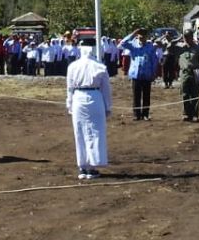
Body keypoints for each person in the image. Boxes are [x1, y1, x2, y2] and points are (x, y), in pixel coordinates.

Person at [65, 35, 111, 180]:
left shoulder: (73, 66)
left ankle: (83, 166)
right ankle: (91, 166)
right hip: (95, 97)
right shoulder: (100, 66)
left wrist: (69, 103)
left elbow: (69, 88)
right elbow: (106, 89)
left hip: (78, 97)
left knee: (80, 132)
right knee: (95, 131)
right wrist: (108, 106)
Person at [119, 28, 158, 120]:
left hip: (147, 74)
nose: (141, 38)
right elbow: (123, 43)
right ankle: (136, 114)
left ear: (146, 37)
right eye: (140, 36)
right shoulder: (133, 45)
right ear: (137, 36)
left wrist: (153, 72)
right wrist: (133, 33)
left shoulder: (150, 47)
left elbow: (154, 60)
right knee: (136, 96)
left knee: (146, 96)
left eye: (143, 36)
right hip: (136, 74)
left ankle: (145, 114)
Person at [178, 31, 199, 122]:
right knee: (185, 94)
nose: (186, 39)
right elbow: (169, 46)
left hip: (194, 72)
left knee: (194, 94)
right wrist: (178, 39)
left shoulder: (197, 49)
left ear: (191, 37)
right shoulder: (180, 48)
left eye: (188, 37)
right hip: (184, 73)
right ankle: (186, 113)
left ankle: (194, 115)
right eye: (185, 37)